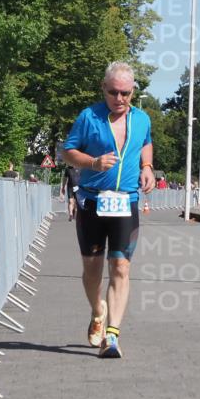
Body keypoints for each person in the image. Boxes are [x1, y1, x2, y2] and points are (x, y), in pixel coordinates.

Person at [62, 61, 155, 359]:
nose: (120, 98)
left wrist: (147, 167)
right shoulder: (88, 117)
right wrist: (92, 163)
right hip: (92, 201)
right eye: (114, 92)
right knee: (92, 270)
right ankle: (98, 311)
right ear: (104, 88)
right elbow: (67, 151)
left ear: (132, 92)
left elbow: (146, 143)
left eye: (126, 93)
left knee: (121, 267)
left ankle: (112, 336)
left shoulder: (142, 119)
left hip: (125, 202)